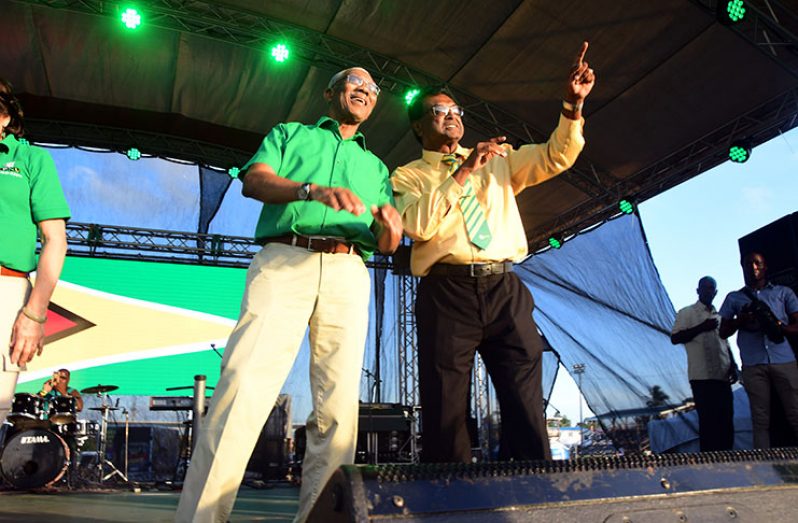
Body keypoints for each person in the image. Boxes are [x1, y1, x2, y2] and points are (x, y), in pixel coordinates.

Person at [176, 67, 402, 523]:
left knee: (338, 411)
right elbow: (253, 180)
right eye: (354, 83)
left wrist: (393, 231)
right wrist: (309, 189)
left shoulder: (377, 167)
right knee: (243, 389)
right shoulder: (290, 133)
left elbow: (385, 241)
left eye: (371, 89)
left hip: (348, 269)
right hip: (284, 259)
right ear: (331, 93)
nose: (363, 91)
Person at [391, 42, 595, 463]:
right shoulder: (408, 175)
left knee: (524, 393)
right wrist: (464, 171)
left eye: (456, 111)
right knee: (446, 403)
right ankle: (451, 497)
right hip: (446, 293)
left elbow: (556, 155)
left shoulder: (498, 160)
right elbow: (419, 226)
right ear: (417, 128)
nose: (451, 117)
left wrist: (572, 106)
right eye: (438, 112)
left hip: (504, 286)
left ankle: (533, 486)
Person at [0, 78, 70, 427]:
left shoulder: (30, 159)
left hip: (7, 290)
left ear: (4, 117)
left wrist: (35, 314)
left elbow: (55, 240)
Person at [719, 252, 798, 448]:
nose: (753, 267)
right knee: (760, 418)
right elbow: (722, 332)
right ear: (743, 267)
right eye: (749, 264)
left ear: (765, 267)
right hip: (753, 362)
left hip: (783, 358)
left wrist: (778, 326)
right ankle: (762, 465)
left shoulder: (783, 292)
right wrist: (741, 321)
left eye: (758, 263)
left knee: (795, 411)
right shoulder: (734, 298)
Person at [671, 276, 739, 451]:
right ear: (698, 290)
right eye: (705, 288)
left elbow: (725, 342)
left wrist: (733, 365)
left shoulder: (720, 316)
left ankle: (729, 461)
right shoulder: (686, 313)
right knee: (708, 422)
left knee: (726, 421)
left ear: (715, 292)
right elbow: (676, 337)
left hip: (722, 375)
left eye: (711, 288)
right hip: (701, 376)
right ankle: (709, 464)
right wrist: (702, 327)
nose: (708, 291)